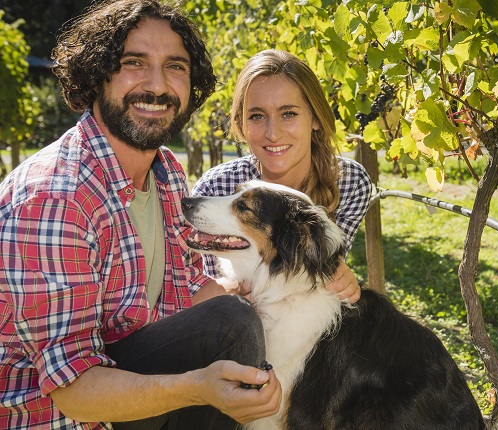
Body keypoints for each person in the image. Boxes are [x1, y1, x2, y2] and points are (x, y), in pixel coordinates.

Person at [0, 1, 287, 429]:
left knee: (237, 317)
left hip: (129, 382)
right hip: (65, 415)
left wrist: (289, 292)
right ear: (97, 75)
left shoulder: (166, 172)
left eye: (175, 67)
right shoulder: (56, 199)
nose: (157, 85)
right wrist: (196, 386)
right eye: (134, 63)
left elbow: (187, 292)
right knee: (232, 323)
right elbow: (74, 390)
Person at [191, 50, 373, 297]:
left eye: (288, 114)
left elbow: (320, 276)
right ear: (241, 124)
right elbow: (212, 284)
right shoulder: (216, 187)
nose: (273, 133)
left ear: (316, 119)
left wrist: (339, 276)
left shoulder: (349, 181)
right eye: (257, 116)